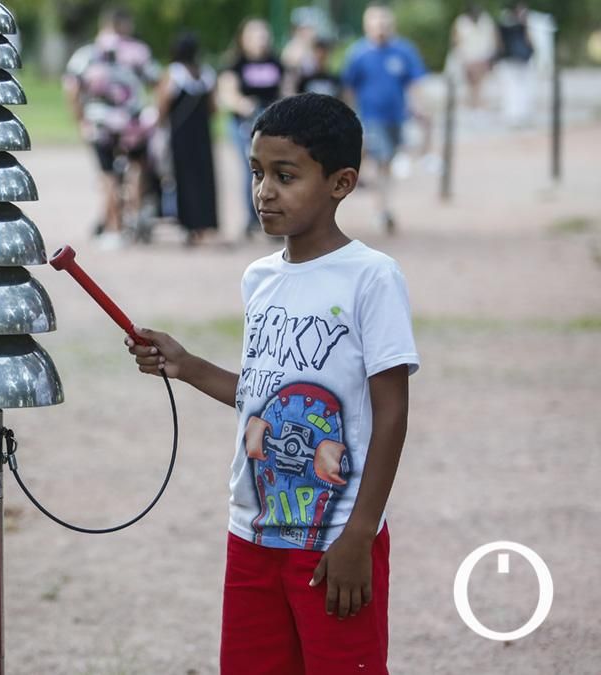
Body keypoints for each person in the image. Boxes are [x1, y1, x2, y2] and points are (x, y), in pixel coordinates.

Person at [128, 93, 418, 674]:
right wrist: (185, 365)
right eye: (257, 172)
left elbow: (391, 412)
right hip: (252, 533)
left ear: (341, 183)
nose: (264, 190)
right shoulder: (259, 279)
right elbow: (264, 396)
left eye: (285, 176)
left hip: (334, 538)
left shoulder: (372, 277)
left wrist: (360, 533)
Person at [63, 6, 159, 249]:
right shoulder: (138, 52)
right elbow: (157, 81)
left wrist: (81, 120)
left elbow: (72, 88)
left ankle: (114, 229)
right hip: (133, 123)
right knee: (137, 170)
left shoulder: (87, 54)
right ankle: (135, 221)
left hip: (100, 121)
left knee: (107, 176)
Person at [341, 5, 426, 234]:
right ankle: (382, 209)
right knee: (383, 160)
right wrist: (349, 116)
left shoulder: (403, 51)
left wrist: (419, 107)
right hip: (371, 118)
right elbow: (349, 87)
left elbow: (414, 82)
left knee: (387, 161)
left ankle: (382, 203)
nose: (381, 27)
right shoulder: (358, 54)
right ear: (366, 25)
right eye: (376, 22)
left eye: (384, 22)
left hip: (397, 117)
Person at [217, 18, 285, 238]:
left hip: (272, 124)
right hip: (243, 125)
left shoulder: (276, 62)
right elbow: (227, 94)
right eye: (256, 36)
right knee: (252, 171)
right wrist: (244, 104)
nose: (261, 40)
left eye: (264, 35)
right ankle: (251, 217)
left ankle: (270, 216)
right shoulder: (236, 64)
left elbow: (287, 89)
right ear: (243, 39)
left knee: (273, 171)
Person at [156, 32, 217, 247]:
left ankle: (189, 225)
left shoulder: (174, 73)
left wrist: (160, 127)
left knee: (184, 178)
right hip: (202, 135)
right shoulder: (206, 74)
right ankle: (205, 223)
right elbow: (212, 108)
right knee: (205, 178)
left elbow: (162, 106)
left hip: (180, 135)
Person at [447, 3, 497, 111]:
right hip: (467, 56)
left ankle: (477, 103)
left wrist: (489, 56)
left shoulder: (486, 21)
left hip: (482, 56)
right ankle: (473, 103)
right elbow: (456, 41)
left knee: (480, 81)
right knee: (471, 81)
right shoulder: (461, 22)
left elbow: (492, 39)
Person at [495, 1, 535, 127]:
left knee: (509, 88)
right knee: (522, 87)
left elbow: (498, 43)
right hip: (521, 59)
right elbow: (529, 41)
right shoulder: (523, 24)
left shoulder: (501, 24)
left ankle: (512, 114)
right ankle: (520, 113)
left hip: (507, 59)